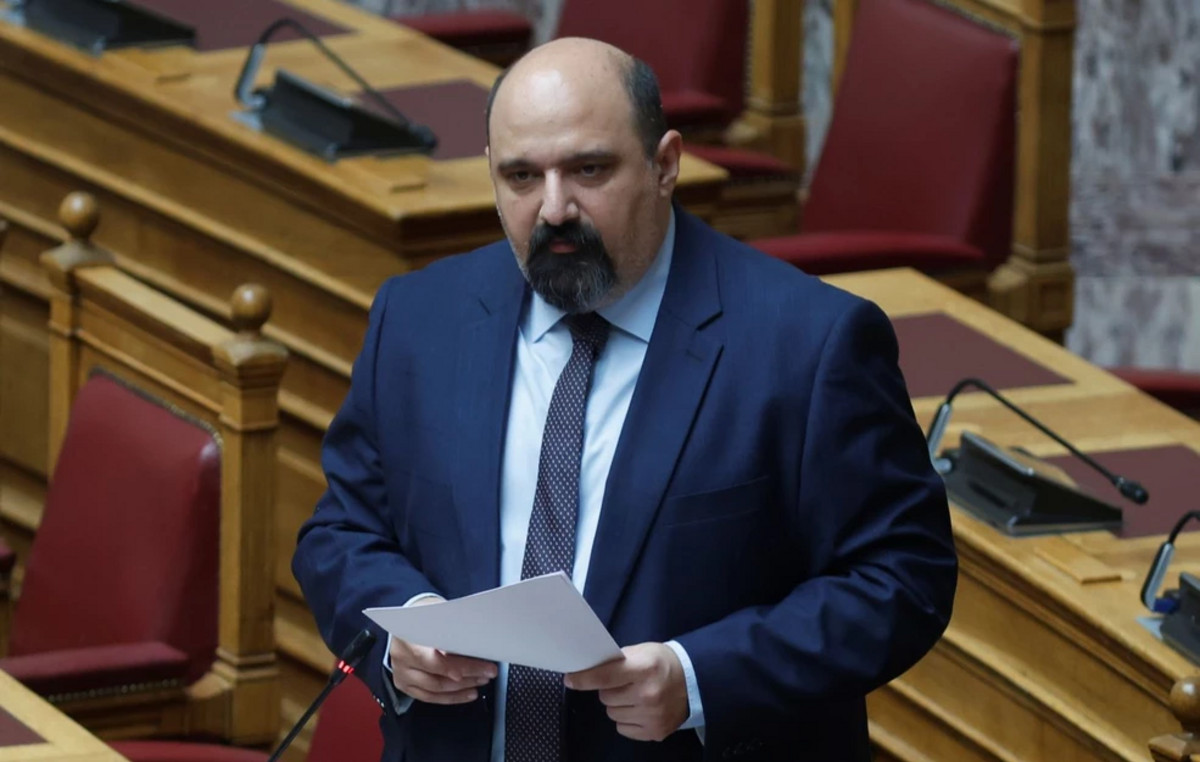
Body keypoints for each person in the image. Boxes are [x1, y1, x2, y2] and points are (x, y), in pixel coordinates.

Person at [293, 37, 956, 762]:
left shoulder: (808, 344)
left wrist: (700, 678)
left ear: (665, 165)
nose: (554, 209)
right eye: (521, 176)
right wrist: (404, 630)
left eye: (589, 169)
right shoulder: (419, 318)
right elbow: (342, 531)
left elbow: (902, 577)